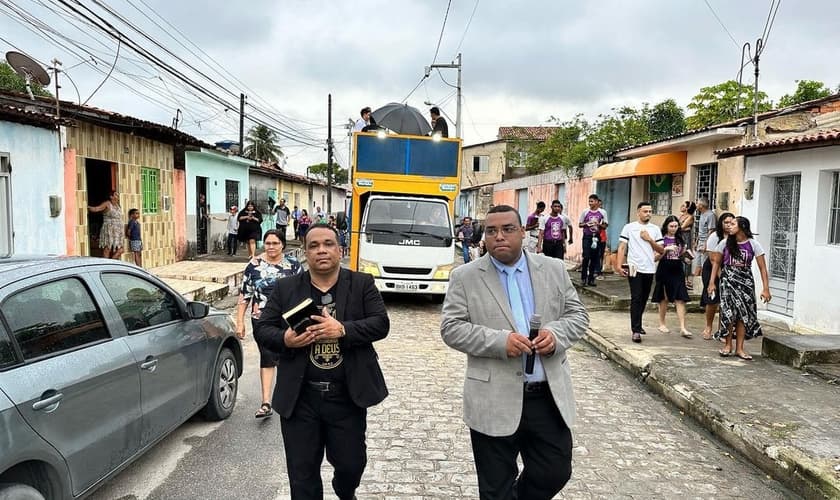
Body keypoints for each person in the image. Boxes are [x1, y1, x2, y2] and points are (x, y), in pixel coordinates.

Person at [440, 204, 588, 499]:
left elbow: (578, 316)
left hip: (546, 395)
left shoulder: (554, 270)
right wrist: (500, 342)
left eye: (508, 229)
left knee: (555, 471)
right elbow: (451, 328)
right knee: (495, 486)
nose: (499, 237)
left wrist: (556, 335)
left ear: (523, 232)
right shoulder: (465, 277)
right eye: (491, 231)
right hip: (493, 397)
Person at [256, 223, 389, 500]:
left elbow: (380, 324)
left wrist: (343, 330)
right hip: (301, 398)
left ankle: (345, 490)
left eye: (328, 243)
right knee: (302, 475)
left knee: (351, 465)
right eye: (314, 246)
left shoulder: (362, 284)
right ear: (305, 252)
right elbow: (264, 328)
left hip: (347, 397)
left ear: (339, 249)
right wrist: (286, 340)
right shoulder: (286, 288)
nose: (321, 250)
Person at [237, 230, 303, 419]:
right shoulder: (253, 265)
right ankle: (266, 403)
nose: (271, 247)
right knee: (267, 357)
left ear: (282, 244)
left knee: (288, 357)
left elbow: (303, 292)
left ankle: (288, 399)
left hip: (289, 319)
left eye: (275, 243)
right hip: (262, 320)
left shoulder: (293, 265)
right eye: (267, 243)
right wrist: (240, 322)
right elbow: (245, 295)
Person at [707, 216, 771, 361]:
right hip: (728, 280)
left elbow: (762, 268)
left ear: (742, 226)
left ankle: (740, 348)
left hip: (746, 282)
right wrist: (712, 283)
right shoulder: (724, 243)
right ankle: (727, 345)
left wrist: (766, 288)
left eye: (733, 224)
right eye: (728, 224)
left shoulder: (753, 244)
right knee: (729, 314)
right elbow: (716, 264)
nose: (729, 226)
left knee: (743, 314)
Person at [615, 201, 665, 343]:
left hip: (649, 268)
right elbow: (622, 247)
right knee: (636, 297)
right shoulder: (629, 227)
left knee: (643, 297)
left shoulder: (655, 229)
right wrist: (619, 265)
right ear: (638, 212)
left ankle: (638, 322)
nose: (648, 214)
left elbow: (661, 250)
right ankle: (635, 330)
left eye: (650, 211)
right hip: (634, 267)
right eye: (645, 211)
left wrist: (649, 240)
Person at [651, 215, 693, 338]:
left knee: (680, 297)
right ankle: (662, 323)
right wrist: (665, 250)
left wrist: (687, 258)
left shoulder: (680, 240)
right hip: (664, 267)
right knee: (663, 297)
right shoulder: (661, 239)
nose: (674, 228)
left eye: (676, 226)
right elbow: (655, 257)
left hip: (677, 268)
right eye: (671, 226)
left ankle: (683, 327)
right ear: (666, 226)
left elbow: (682, 255)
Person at [699, 212, 735, 340]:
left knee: (725, 301)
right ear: (721, 223)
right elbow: (714, 259)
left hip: (729, 269)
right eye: (726, 222)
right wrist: (719, 278)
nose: (728, 225)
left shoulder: (735, 237)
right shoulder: (715, 236)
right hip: (712, 269)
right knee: (712, 299)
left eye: (731, 222)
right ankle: (708, 326)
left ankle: (722, 330)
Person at [578, 194, 608, 286]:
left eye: (592, 201)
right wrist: (587, 224)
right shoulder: (585, 212)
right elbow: (580, 224)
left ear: (596, 202)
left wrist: (598, 224)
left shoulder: (602, 212)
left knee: (594, 258)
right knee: (586, 257)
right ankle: (584, 278)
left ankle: (591, 279)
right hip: (587, 236)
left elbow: (605, 225)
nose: (590, 203)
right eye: (589, 201)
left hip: (596, 237)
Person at [88, 190, 124, 260]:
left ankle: (111, 263)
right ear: (111, 196)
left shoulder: (118, 205)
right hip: (109, 229)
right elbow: (97, 209)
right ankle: (107, 264)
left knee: (121, 249)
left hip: (118, 231)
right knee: (107, 248)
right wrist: (88, 207)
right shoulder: (107, 203)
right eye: (116, 195)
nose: (118, 196)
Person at [693, 197, 715, 280]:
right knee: (698, 263)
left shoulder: (710, 215)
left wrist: (706, 244)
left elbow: (711, 231)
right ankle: (695, 283)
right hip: (700, 241)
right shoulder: (702, 214)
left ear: (701, 205)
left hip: (706, 242)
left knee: (704, 264)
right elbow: (701, 230)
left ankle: (703, 283)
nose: (696, 205)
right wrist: (696, 241)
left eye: (697, 203)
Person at [679, 201, 697, 288]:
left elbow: (681, 227)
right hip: (680, 237)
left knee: (686, 256)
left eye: (683, 205)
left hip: (685, 238)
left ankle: (686, 280)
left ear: (687, 208)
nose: (681, 207)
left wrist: (680, 227)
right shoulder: (682, 216)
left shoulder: (690, 217)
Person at [595, 198, 607, 279]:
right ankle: (596, 270)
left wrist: (599, 224)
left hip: (602, 237)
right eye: (598, 204)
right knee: (595, 254)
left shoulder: (603, 214)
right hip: (593, 237)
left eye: (601, 204)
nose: (600, 206)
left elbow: (605, 226)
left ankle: (599, 270)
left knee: (601, 255)